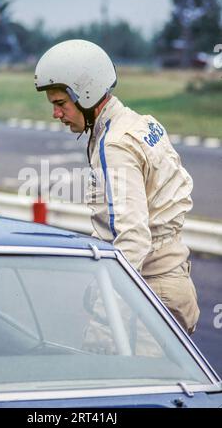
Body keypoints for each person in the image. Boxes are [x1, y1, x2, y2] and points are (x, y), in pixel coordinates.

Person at [34, 39, 200, 338]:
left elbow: (133, 239)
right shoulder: (139, 123)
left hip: (149, 292)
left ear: (85, 94)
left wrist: (104, 321)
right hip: (170, 283)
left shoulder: (115, 145)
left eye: (60, 104)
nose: (56, 114)